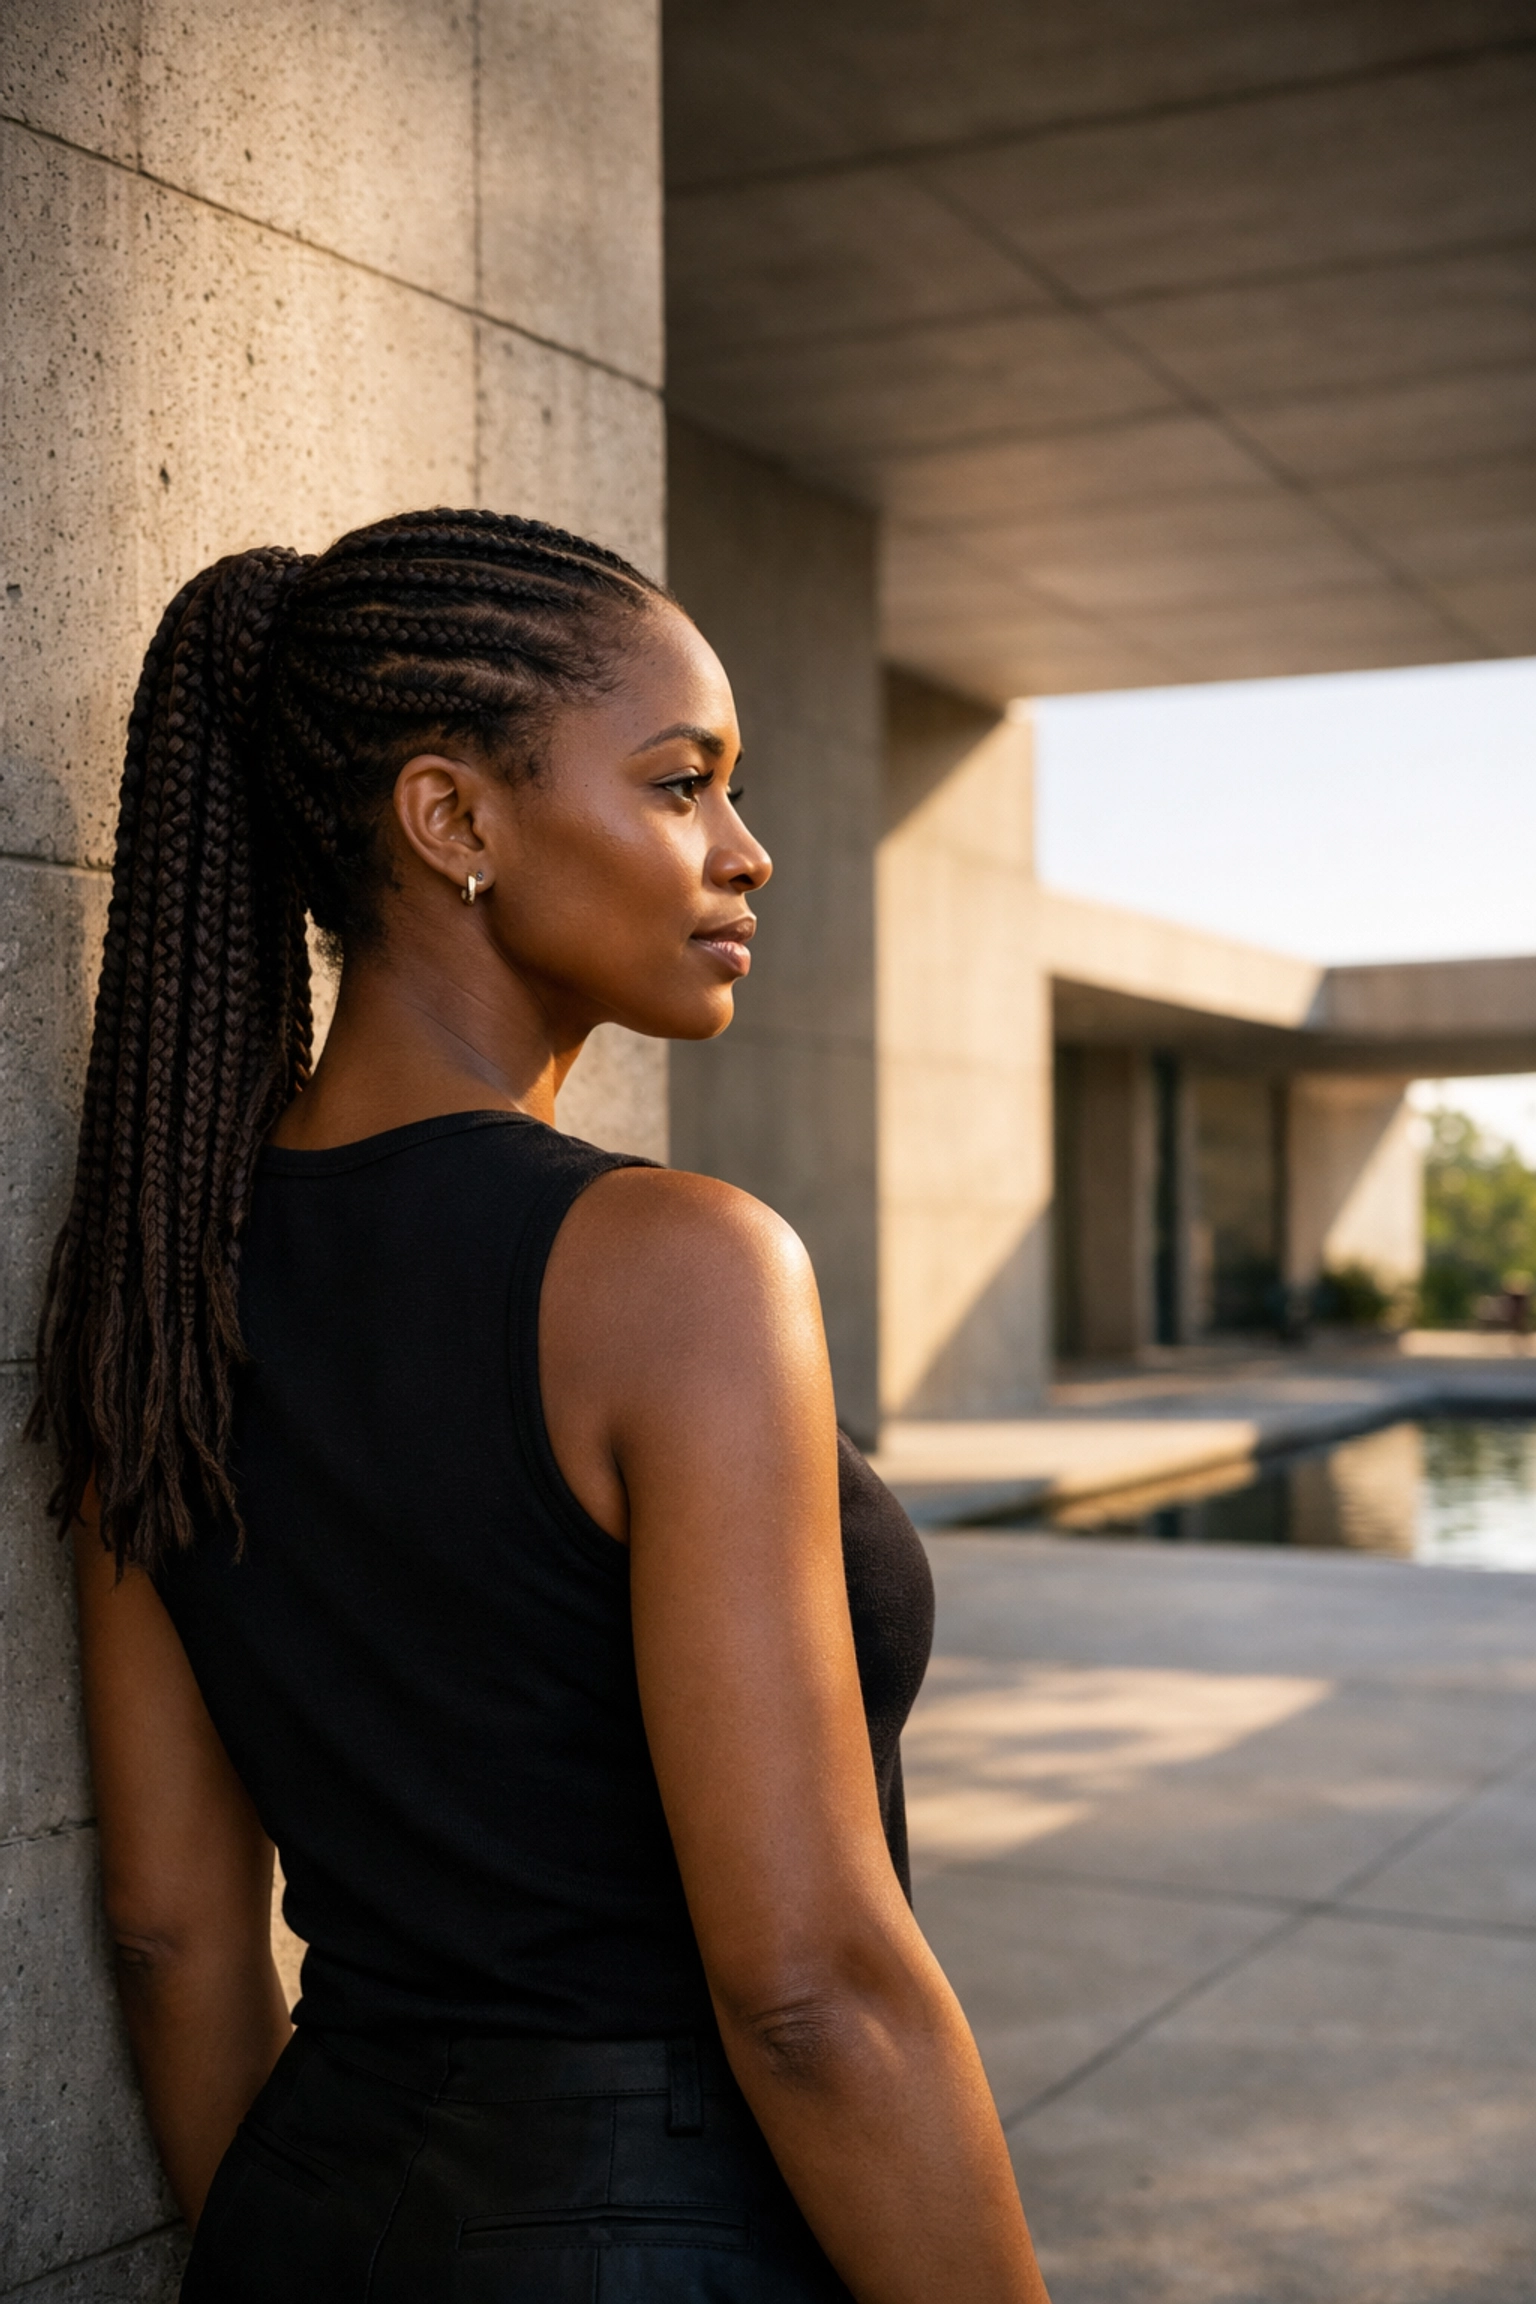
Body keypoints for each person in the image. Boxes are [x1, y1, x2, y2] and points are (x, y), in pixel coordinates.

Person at [34, 509, 1051, 2302]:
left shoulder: (154, 1285)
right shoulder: (677, 1268)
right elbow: (812, 1990)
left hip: (307, 2211)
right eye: (682, 786)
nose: (746, 852)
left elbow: (173, 1931)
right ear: (455, 820)